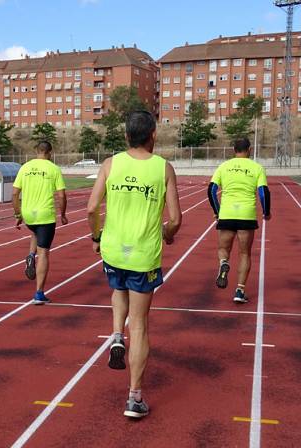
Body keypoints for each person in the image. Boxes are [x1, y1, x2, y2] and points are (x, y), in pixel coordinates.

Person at [87, 110, 182, 419]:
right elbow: (176, 219)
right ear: (153, 135)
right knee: (139, 325)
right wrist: (168, 234)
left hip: (113, 250)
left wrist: (96, 235)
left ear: (126, 135)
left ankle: (116, 334)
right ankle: (134, 397)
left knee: (118, 287)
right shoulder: (163, 168)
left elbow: (91, 208)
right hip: (144, 254)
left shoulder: (110, 164)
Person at [208, 137, 271, 303]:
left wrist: (217, 211)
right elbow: (263, 192)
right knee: (244, 253)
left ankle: (223, 263)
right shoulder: (257, 167)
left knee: (223, 249)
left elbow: (211, 190)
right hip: (247, 215)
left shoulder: (223, 166)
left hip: (227, 214)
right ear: (249, 149)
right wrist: (267, 212)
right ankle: (240, 290)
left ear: (233, 149)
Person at [12, 141, 68, 304]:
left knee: (35, 232)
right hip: (45, 214)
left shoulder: (25, 167)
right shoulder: (53, 168)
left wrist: (17, 214)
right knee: (43, 253)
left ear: (36, 151)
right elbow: (62, 196)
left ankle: (30, 255)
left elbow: (15, 194)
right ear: (49, 152)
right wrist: (63, 214)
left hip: (28, 214)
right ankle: (39, 293)